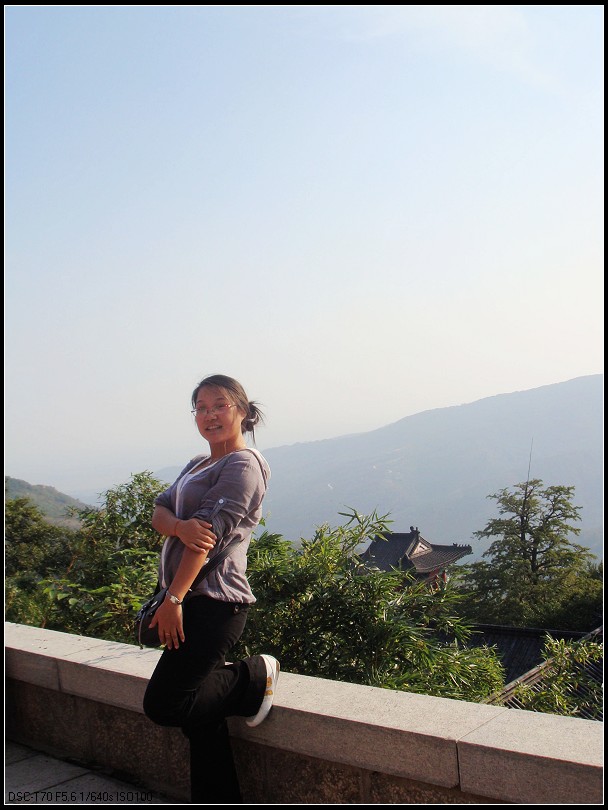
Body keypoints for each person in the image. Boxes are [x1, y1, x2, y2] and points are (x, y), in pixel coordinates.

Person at [142, 374, 279, 804]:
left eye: (220, 405)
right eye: (201, 407)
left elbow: (206, 539)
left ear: (242, 410)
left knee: (166, 704)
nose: (209, 415)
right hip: (188, 602)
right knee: (200, 722)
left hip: (215, 604)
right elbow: (158, 511)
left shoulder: (243, 465)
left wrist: (173, 598)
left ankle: (252, 677)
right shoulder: (197, 464)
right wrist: (179, 525)